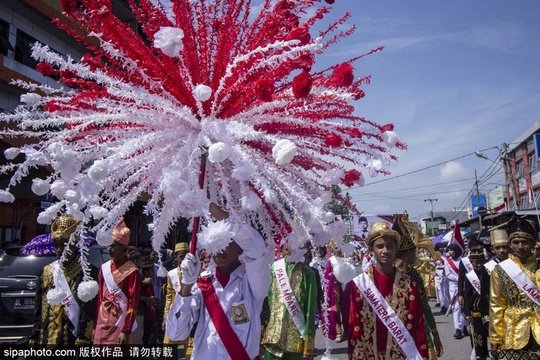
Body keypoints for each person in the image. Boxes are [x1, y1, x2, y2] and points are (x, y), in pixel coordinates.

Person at [165, 203, 271, 359]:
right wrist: (186, 286)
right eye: (215, 243)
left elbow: (256, 249)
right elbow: (176, 333)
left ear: (240, 248)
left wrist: (209, 206)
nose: (220, 249)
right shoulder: (201, 284)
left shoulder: (253, 282)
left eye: (227, 242)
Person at [348, 221, 429, 359]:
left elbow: (419, 324)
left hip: (401, 354)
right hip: (369, 353)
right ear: (371, 250)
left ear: (396, 250)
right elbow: (354, 325)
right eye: (380, 246)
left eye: (390, 246)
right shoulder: (360, 284)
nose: (385, 251)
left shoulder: (409, 284)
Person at [34, 214, 98, 348]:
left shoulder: (87, 271)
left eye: (64, 245)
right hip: (47, 337)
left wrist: (83, 339)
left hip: (72, 339)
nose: (59, 250)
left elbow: (88, 311)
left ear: (74, 244)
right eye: (56, 245)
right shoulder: (47, 271)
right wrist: (35, 335)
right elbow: (38, 308)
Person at [393, 215, 443, 359]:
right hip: (395, 335)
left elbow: (425, 308)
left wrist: (435, 334)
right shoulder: (386, 275)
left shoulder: (414, 274)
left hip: (420, 333)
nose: (417, 255)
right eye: (414, 252)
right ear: (408, 254)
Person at [490, 217, 540, 359]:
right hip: (513, 333)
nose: (520, 247)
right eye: (516, 242)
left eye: (525, 242)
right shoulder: (500, 270)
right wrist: (495, 338)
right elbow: (496, 305)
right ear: (510, 244)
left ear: (533, 244)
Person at [261, 242, 317, 360]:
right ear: (284, 246)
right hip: (273, 338)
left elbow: (310, 309)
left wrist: (308, 344)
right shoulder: (273, 269)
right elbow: (265, 300)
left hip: (295, 341)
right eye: (290, 241)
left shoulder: (308, 273)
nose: (295, 245)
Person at [93, 218, 141, 345]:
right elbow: (99, 299)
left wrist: (126, 330)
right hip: (101, 323)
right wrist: (94, 326)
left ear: (123, 247)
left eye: (113, 245)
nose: (109, 249)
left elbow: (132, 302)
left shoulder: (132, 271)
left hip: (120, 323)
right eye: (108, 245)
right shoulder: (104, 268)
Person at [163, 242, 192, 358]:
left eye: (186, 255)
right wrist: (165, 317)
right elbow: (169, 297)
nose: (184, 259)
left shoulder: (195, 274)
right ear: (176, 257)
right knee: (168, 346)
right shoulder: (171, 274)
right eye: (181, 256)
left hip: (189, 314)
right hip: (173, 315)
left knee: (185, 351)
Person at [462, 241, 490, 360]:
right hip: (476, 311)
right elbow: (467, 295)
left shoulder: (489, 273)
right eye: (475, 262)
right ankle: (480, 355)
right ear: (472, 263)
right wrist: (467, 313)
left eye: (480, 262)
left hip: (489, 310)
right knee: (478, 338)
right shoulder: (470, 277)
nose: (478, 264)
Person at [444, 243, 468, 340]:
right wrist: (459, 279)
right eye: (449, 250)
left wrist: (463, 280)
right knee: (456, 307)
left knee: (465, 306)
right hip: (453, 286)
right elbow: (448, 274)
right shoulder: (447, 261)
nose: (450, 252)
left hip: (465, 285)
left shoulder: (463, 260)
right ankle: (458, 329)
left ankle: (465, 326)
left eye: (451, 250)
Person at [434, 243, 450, 314]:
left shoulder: (446, 255)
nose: (442, 248)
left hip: (444, 274)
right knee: (438, 290)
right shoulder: (434, 255)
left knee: (444, 291)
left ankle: (446, 305)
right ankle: (442, 304)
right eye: (440, 247)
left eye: (442, 247)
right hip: (437, 274)